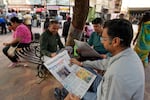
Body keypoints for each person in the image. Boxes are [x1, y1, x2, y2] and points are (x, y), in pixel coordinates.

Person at [64, 19, 145, 100]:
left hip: (103, 96)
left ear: (115, 41)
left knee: (73, 93)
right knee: (85, 69)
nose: (102, 42)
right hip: (105, 88)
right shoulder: (129, 55)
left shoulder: (115, 74)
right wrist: (81, 64)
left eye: (104, 39)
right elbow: (104, 63)